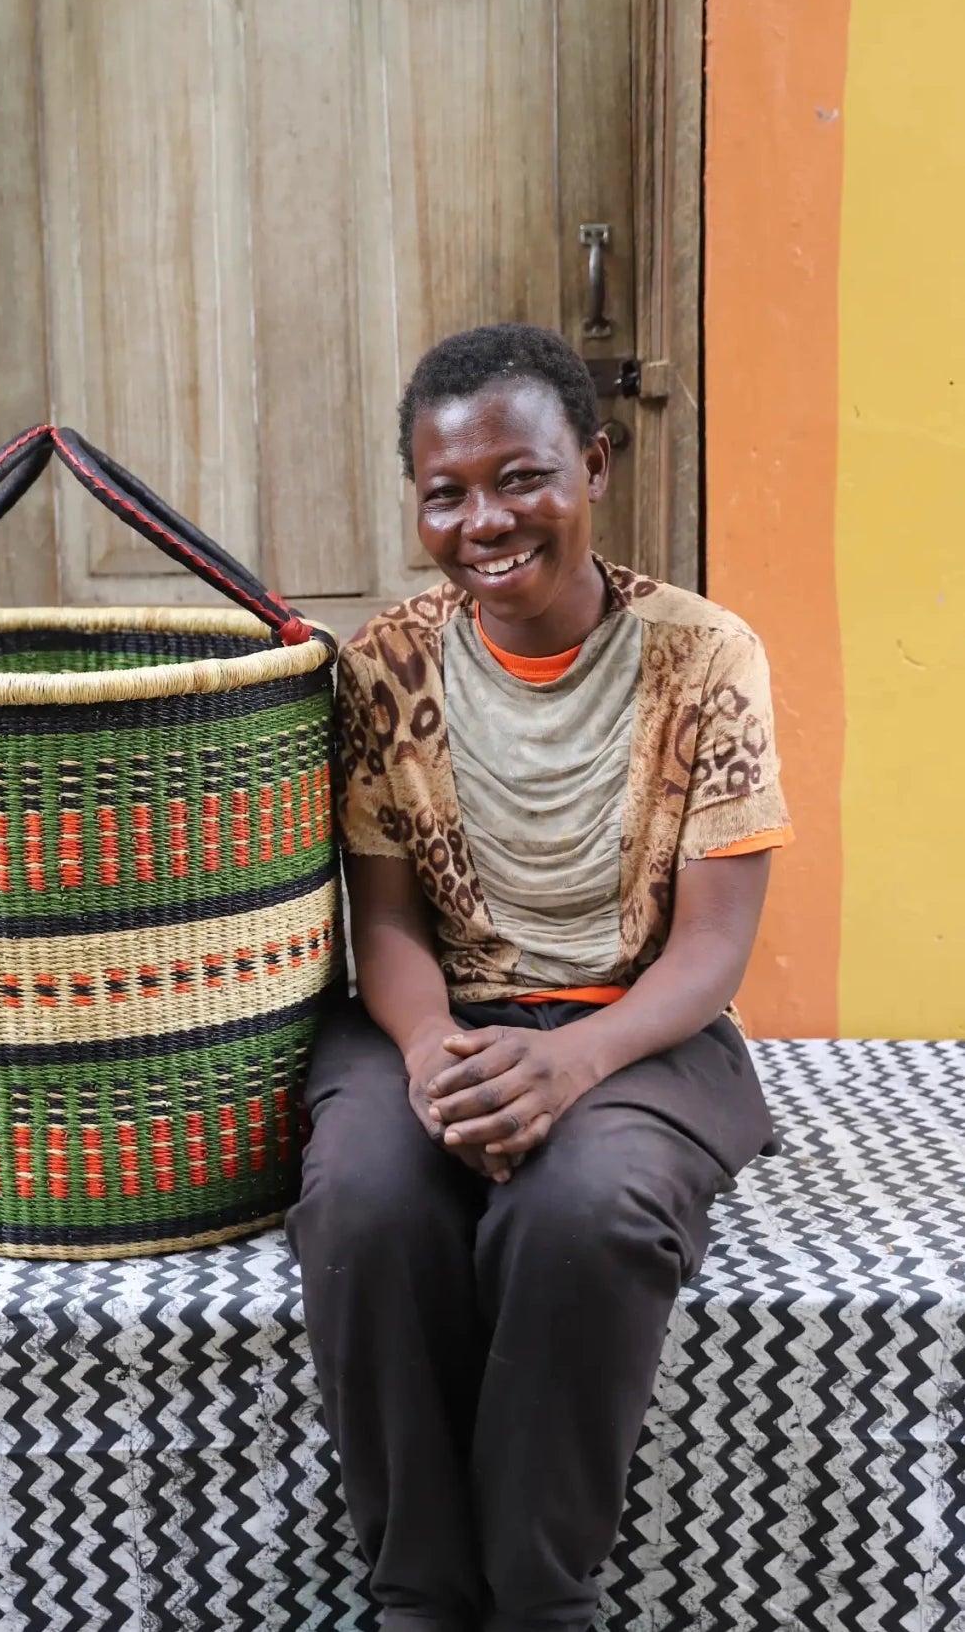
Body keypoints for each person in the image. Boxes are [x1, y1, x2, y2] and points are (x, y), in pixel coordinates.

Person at [287, 323, 791, 1632]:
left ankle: (537, 1595)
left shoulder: (703, 658)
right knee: (370, 1207)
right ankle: (417, 1591)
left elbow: (711, 948)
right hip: (434, 1015)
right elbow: (382, 923)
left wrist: (570, 1060)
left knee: (581, 1216)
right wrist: (425, 1053)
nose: (483, 520)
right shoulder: (383, 666)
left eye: (521, 477)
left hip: (637, 1026)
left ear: (594, 466)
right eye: (443, 492)